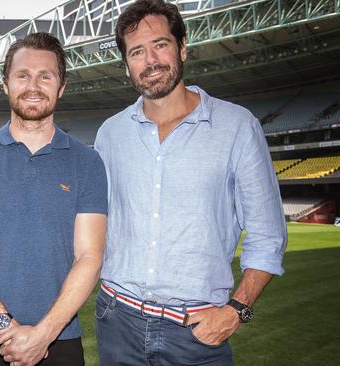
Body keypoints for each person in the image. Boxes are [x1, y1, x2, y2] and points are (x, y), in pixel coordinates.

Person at [93, 0, 287, 364]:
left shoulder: (237, 126)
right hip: (116, 322)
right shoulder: (110, 134)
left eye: (160, 45)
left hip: (196, 332)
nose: (150, 60)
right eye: (137, 52)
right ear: (126, 66)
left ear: (182, 47)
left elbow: (267, 234)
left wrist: (235, 311)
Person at [0, 32, 107, 366]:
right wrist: (7, 325)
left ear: (61, 87)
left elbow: (89, 256)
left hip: (59, 337)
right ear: (5, 84)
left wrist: (44, 334)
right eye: (23, 75)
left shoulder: (87, 162)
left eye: (45, 76)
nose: (33, 85)